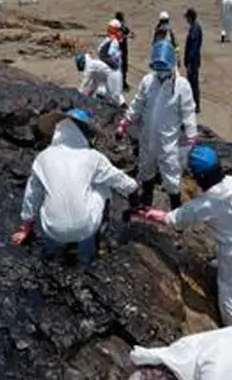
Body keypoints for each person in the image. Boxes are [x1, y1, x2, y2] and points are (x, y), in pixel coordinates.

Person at [139, 146, 232, 326]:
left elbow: (173, 220)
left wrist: (149, 213)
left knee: (231, 298)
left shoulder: (202, 205)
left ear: (199, 178)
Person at [11, 109, 139, 266]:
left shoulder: (43, 157)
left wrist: (25, 227)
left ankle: (56, 250)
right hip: (85, 229)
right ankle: (96, 242)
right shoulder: (93, 157)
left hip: (53, 230)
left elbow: (32, 195)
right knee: (102, 184)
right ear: (84, 132)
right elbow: (123, 182)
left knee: (47, 186)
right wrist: (134, 194)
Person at [117, 40, 197, 210]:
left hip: (168, 141)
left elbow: (188, 111)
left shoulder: (181, 86)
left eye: (163, 68)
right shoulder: (148, 81)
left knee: (171, 173)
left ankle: (175, 208)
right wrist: (126, 121)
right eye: (157, 69)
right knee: (146, 168)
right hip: (147, 137)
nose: (160, 73)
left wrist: (191, 134)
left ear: (171, 65)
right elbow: (138, 103)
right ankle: (147, 199)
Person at [183, 8, 203, 113]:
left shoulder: (195, 29)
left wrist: (190, 63)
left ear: (190, 17)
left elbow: (193, 48)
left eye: (187, 17)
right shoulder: (194, 27)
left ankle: (196, 105)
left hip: (193, 61)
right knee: (191, 83)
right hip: (193, 61)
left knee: (193, 83)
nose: (186, 19)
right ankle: (193, 104)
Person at [115, 11, 133, 91]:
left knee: (124, 67)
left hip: (124, 50)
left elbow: (130, 33)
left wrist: (130, 34)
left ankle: (123, 82)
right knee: (118, 67)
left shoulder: (123, 27)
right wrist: (126, 36)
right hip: (117, 50)